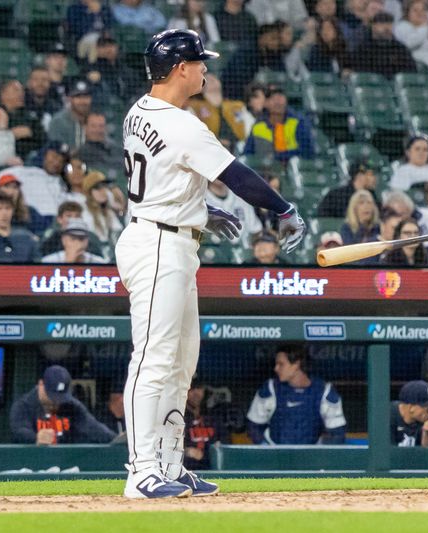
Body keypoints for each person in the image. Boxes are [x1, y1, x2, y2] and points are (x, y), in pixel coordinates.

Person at [115, 29, 305, 499]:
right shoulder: (182, 124)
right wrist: (283, 209)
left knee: (181, 364)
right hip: (159, 244)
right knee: (153, 360)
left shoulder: (140, 111)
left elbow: (162, 177)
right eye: (199, 62)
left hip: (165, 234)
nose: (205, 69)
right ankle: (141, 472)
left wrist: (200, 210)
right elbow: (237, 175)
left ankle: (171, 465)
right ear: (180, 68)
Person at [247, 346, 346, 445]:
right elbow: (254, 426)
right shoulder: (270, 388)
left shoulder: (324, 391)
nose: (276, 369)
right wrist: (266, 450)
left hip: (310, 456)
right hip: (275, 454)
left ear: (296, 365)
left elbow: (337, 434)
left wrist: (319, 456)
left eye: (281, 364)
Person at [10, 365, 116, 445]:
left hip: (64, 463)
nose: (56, 402)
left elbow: (93, 427)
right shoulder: (23, 405)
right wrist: (35, 437)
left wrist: (116, 439)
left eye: (60, 398)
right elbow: (19, 430)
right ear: (41, 384)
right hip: (31, 464)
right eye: (52, 396)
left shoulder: (71, 406)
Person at [0, 141, 72, 219]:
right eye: (54, 156)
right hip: (30, 221)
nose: (57, 162)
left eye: (62, 161)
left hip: (56, 224)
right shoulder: (21, 172)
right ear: (45, 154)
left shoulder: (64, 185)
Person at [243, 87, 314, 162]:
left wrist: (276, 156)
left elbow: (307, 153)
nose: (278, 102)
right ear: (266, 103)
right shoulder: (258, 126)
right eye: (273, 98)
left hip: (293, 170)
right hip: (265, 171)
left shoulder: (299, 122)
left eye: (280, 97)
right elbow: (247, 155)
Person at [345, 12, 417, 79]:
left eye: (389, 23)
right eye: (382, 23)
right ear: (373, 26)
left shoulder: (400, 49)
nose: (387, 27)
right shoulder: (363, 49)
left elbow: (411, 73)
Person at [189, 74, 247, 151]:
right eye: (207, 79)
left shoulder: (236, 106)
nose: (211, 79)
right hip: (211, 148)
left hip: (238, 147)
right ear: (201, 87)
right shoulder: (195, 106)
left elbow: (246, 128)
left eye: (214, 78)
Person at [206, 179, 263, 248]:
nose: (219, 174)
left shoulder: (240, 195)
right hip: (213, 251)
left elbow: (256, 229)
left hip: (243, 252)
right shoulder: (198, 200)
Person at [184, 376, 226, 471]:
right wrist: (186, 451)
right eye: (191, 389)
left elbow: (224, 441)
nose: (196, 393)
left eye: (199, 388)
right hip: (187, 468)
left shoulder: (213, 416)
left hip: (211, 466)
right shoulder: (178, 417)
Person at [0, 78, 46, 159]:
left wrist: (31, 133)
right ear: (3, 94)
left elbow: (43, 138)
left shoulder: (29, 116)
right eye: (16, 90)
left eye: (22, 91)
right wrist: (11, 134)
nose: (21, 94)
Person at [391, 380, 428, 447]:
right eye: (426, 408)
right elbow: (385, 455)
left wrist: (427, 433)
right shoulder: (387, 417)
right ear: (411, 408)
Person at [75, 112, 124, 182]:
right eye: (93, 126)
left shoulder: (118, 150)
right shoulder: (79, 154)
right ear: (85, 128)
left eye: (101, 126)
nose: (97, 130)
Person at [81, 171, 124, 245]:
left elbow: (118, 233)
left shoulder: (108, 211)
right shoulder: (84, 211)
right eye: (98, 188)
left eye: (105, 186)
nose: (103, 191)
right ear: (89, 193)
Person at [48, 80, 93, 150]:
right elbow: (56, 151)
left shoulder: (95, 121)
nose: (83, 101)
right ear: (69, 99)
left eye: (86, 97)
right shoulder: (59, 121)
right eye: (78, 97)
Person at [41, 217, 107, 263]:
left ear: (87, 241)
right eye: (73, 239)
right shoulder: (48, 262)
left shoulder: (100, 263)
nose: (77, 243)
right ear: (64, 240)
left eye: (81, 239)